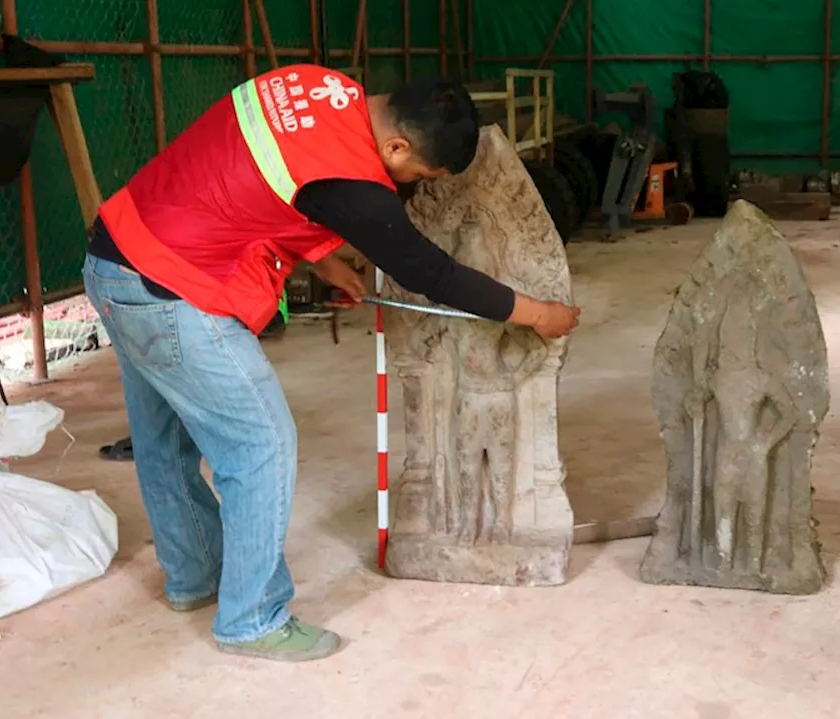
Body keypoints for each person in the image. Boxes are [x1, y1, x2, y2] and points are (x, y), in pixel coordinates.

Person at [82, 64, 581, 663]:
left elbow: (262, 174)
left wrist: (319, 260)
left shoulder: (321, 86)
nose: (414, 188)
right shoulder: (359, 187)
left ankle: (195, 578)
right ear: (396, 146)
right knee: (261, 444)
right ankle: (251, 619)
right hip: (173, 289)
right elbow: (429, 271)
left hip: (115, 257)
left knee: (164, 440)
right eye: (419, 174)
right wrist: (532, 313)